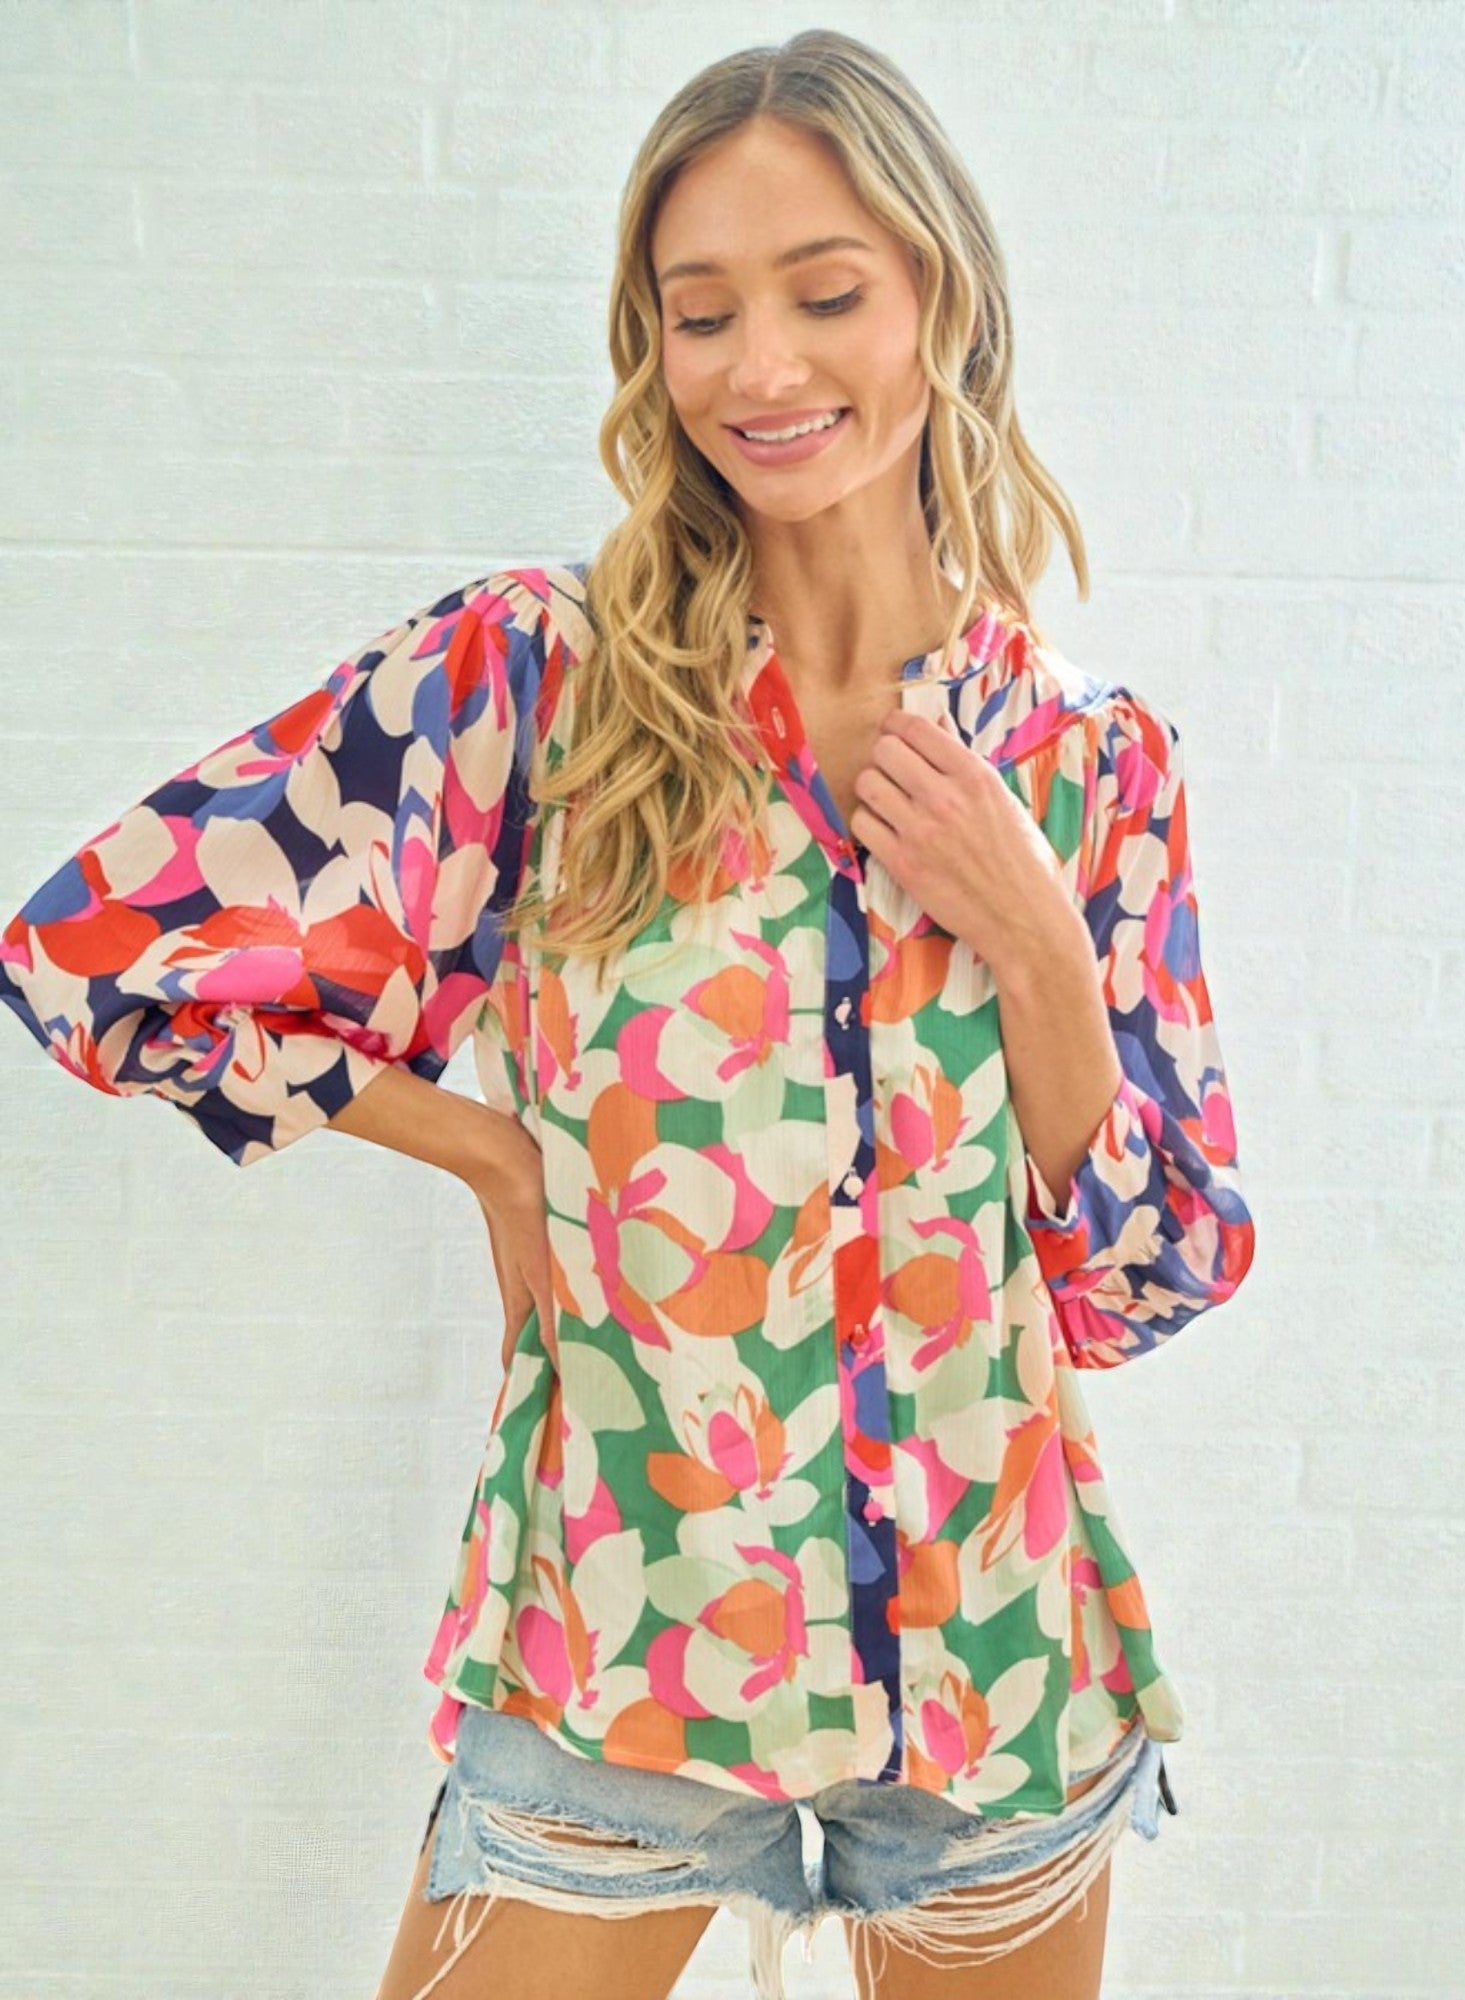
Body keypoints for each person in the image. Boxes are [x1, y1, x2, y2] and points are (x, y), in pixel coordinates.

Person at [0, 29, 1256, 2000]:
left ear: (940, 302)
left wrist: (1033, 942)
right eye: (701, 312)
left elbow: (1142, 1274)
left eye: (823, 294)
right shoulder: (538, 684)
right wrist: (488, 1148)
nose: (760, 366)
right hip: (620, 1647)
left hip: (998, 1667)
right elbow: (98, 951)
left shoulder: (1086, 762)